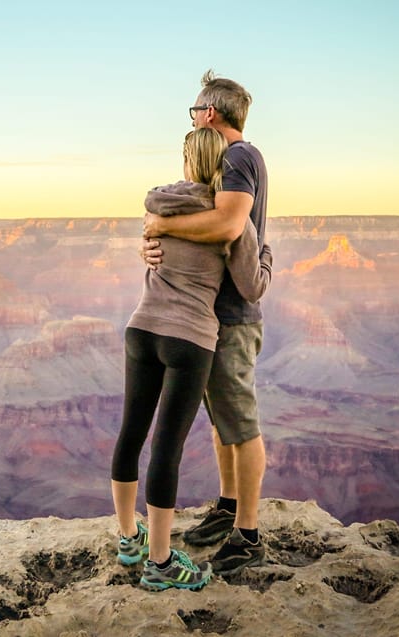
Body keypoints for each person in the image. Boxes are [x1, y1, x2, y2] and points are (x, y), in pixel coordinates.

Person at [112, 126, 272, 592]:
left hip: (141, 329)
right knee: (167, 447)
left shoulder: (158, 205)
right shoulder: (223, 217)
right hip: (189, 339)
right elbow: (252, 286)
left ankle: (128, 540)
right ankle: (160, 563)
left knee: (130, 435)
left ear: (185, 160)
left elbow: (153, 247)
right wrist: (265, 253)